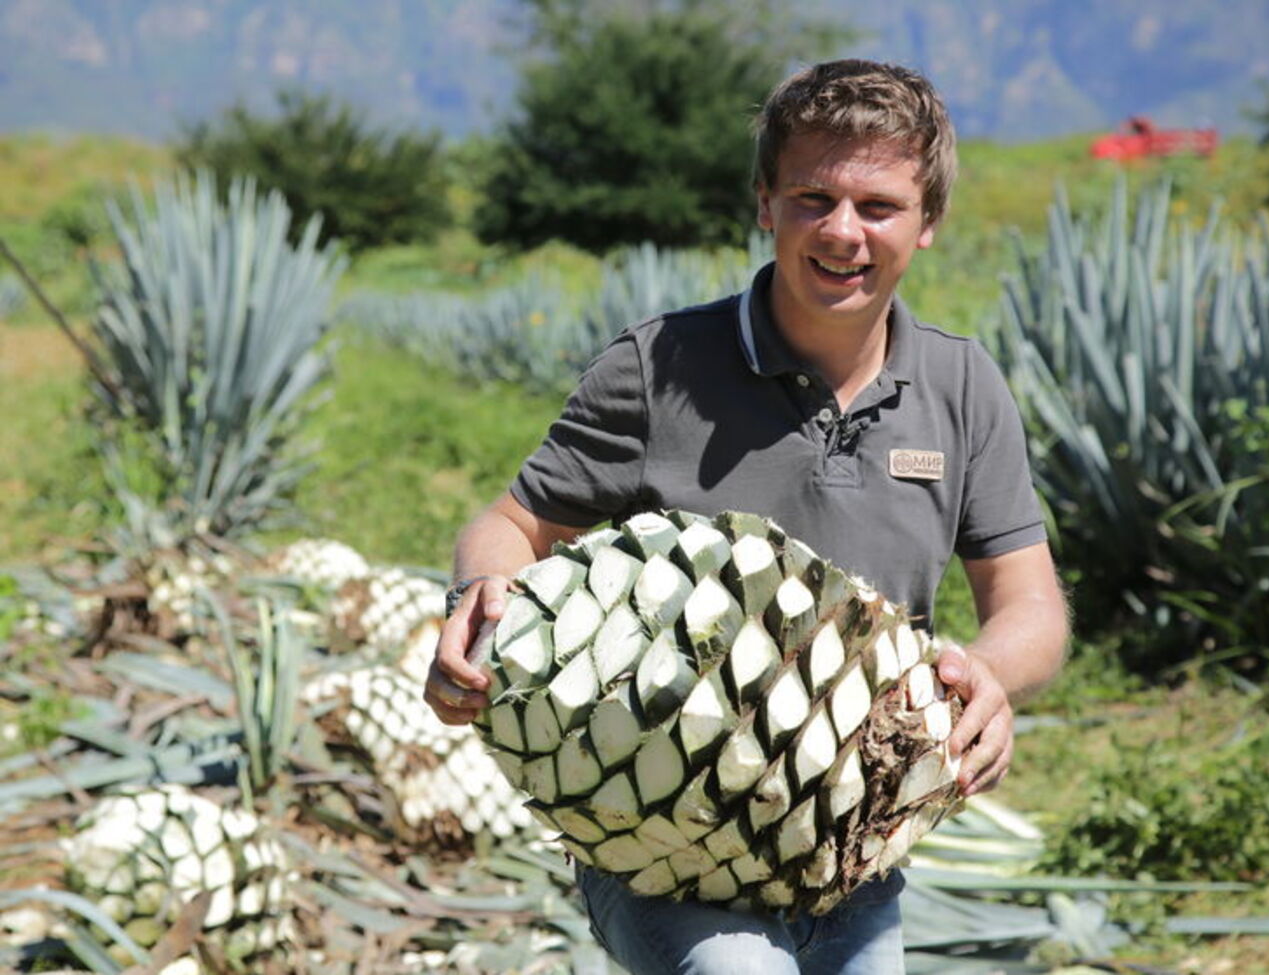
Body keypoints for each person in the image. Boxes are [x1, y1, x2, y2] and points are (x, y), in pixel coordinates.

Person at [426, 58, 1069, 975]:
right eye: (812, 196)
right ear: (764, 202)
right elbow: (515, 523)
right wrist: (477, 596)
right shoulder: (659, 368)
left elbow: (1032, 607)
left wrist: (989, 678)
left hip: (854, 834)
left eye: (879, 206)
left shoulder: (962, 387)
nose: (843, 231)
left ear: (929, 224)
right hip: (658, 835)